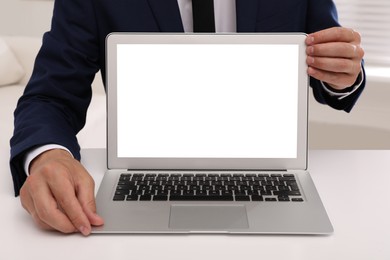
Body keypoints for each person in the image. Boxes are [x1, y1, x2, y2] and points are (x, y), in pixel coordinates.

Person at [10, 0, 365, 236]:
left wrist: (343, 74)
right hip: (143, 179)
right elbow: (49, 95)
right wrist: (48, 155)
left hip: (269, 170)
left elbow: (334, 63)